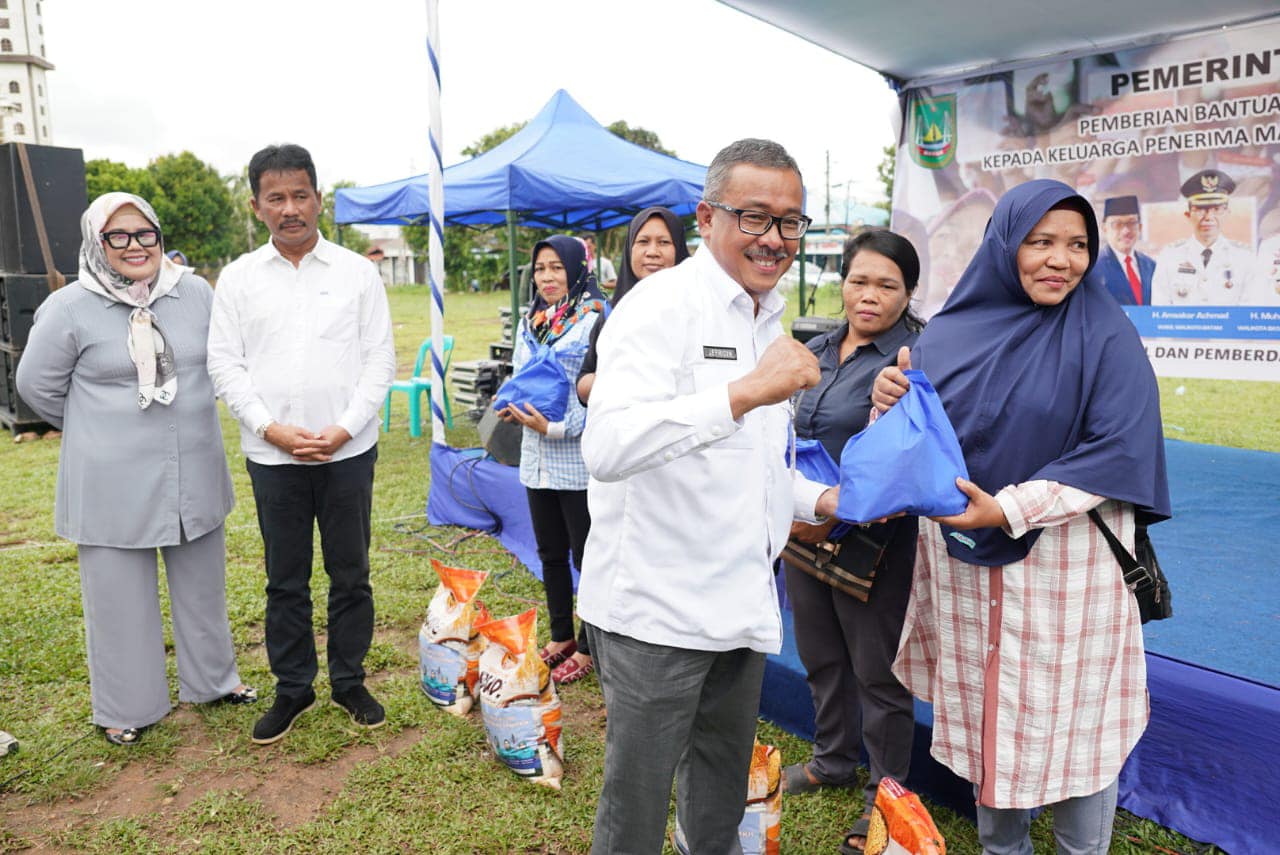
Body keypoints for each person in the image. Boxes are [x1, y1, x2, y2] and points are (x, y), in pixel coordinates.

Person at [872, 179, 1171, 855]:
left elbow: (1117, 449)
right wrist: (888, 400)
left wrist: (1007, 507)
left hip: (1067, 576)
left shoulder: (1107, 334)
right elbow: (918, 445)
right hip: (968, 581)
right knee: (991, 714)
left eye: (1075, 244)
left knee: (1079, 721)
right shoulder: (948, 334)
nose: (1059, 259)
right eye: (1040, 241)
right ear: (1006, 244)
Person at [578, 138, 839, 854]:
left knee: (719, 796)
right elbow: (607, 447)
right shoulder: (659, 309)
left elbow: (751, 464)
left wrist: (822, 501)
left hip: (740, 605)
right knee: (635, 810)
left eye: (791, 222)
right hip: (655, 613)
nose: (774, 238)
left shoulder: (765, 317)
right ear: (706, 217)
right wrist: (745, 390)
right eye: (754, 216)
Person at [16, 192, 255, 747]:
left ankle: (214, 683)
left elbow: (224, 361)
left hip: (192, 466)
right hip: (110, 479)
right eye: (117, 236)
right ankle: (127, 707)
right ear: (96, 243)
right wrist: (100, 426)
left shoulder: (194, 293)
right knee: (118, 598)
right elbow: (37, 387)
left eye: (145, 234)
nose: (134, 247)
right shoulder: (70, 306)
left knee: (203, 586)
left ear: (160, 237)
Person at [207, 144, 396, 745]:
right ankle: (294, 689)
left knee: (351, 573)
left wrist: (343, 428)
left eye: (300, 195)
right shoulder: (236, 279)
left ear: (319, 198)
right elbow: (224, 365)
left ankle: (348, 681)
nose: (290, 209)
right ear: (257, 206)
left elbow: (379, 360)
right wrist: (271, 429)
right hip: (273, 457)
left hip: (347, 452)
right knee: (284, 579)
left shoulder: (357, 273)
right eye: (276, 198)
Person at [781, 229, 922, 855]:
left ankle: (884, 798)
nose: (869, 296)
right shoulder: (815, 348)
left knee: (877, 672)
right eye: (859, 280)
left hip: (873, 540)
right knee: (819, 654)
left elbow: (913, 454)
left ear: (908, 292)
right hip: (804, 526)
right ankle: (832, 760)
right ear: (843, 282)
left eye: (886, 285)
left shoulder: (914, 357)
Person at [499, 234, 607, 684]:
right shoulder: (532, 320)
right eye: (540, 269)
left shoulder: (594, 320)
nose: (547, 277)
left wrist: (556, 428)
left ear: (575, 270)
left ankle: (588, 646)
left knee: (587, 557)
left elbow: (599, 391)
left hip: (576, 461)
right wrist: (510, 405)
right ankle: (562, 633)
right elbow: (520, 376)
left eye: (556, 268)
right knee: (550, 554)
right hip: (535, 459)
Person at [576, 206, 690, 404]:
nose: (652, 252)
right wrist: (623, 383)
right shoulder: (612, 313)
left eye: (664, 242)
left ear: (679, 249)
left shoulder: (697, 311)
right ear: (630, 249)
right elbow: (584, 380)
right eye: (643, 242)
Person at [1151, 169, 1259, 304]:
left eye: (1216, 209)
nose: (1209, 217)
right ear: (1188, 215)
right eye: (1201, 209)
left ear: (1227, 213)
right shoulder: (1169, 257)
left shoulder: (1245, 258)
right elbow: (1161, 311)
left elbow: (1249, 313)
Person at [1096, 195, 1155, 305]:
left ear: (1140, 227)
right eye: (1117, 224)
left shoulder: (1151, 266)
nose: (1126, 231)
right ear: (1104, 228)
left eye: (1131, 223)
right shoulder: (1094, 268)